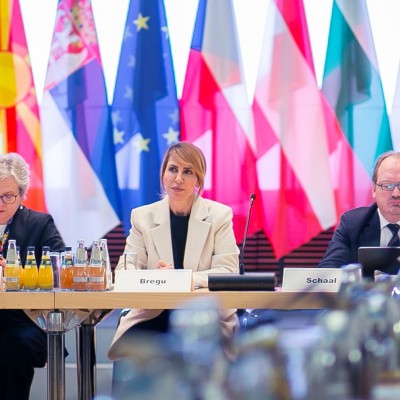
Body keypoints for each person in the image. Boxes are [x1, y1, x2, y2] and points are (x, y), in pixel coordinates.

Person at [108, 142, 240, 361]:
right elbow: (125, 269)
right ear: (163, 175)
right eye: (173, 169)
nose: (178, 178)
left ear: (198, 179)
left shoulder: (219, 216)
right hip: (153, 314)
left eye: (187, 172)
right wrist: (154, 278)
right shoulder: (142, 217)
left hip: (206, 315)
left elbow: (228, 270)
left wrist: (181, 279)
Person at [0, 153, 65, 400]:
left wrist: (20, 272)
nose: (1, 204)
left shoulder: (39, 223)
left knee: (11, 346)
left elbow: (61, 270)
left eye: (8, 196)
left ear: (22, 194)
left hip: (28, 322)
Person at [319, 150, 400, 277]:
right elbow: (328, 272)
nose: (396, 194)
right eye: (387, 185)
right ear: (374, 189)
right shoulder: (352, 223)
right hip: (364, 296)